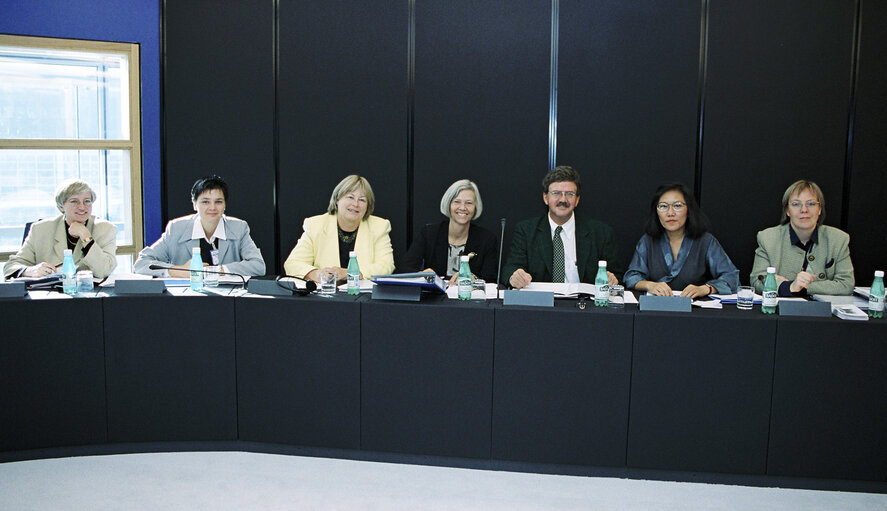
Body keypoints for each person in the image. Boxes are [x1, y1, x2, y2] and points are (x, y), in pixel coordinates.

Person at [503, 165, 621, 288]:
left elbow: (617, 274)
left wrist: (612, 279)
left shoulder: (601, 233)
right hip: (541, 303)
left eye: (569, 194)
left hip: (585, 303)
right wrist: (515, 276)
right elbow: (510, 268)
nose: (563, 199)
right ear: (545, 198)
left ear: (577, 200)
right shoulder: (526, 231)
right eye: (556, 193)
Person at [134, 175, 265, 277]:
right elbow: (141, 264)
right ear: (194, 204)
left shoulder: (239, 227)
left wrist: (218, 271)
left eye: (218, 202)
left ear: (225, 205)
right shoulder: (176, 228)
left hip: (228, 299)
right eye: (205, 202)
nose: (212, 207)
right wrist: (178, 271)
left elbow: (258, 266)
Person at [623, 183, 739, 298]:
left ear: (689, 210)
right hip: (657, 307)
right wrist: (650, 285)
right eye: (663, 206)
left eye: (677, 206)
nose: (670, 213)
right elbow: (631, 276)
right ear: (656, 211)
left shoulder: (705, 241)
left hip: (695, 310)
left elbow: (732, 277)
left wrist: (705, 289)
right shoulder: (648, 241)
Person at [750, 179, 854, 296]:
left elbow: (846, 285)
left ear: (819, 209)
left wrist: (800, 287)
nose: (804, 210)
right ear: (787, 211)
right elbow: (757, 281)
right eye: (796, 204)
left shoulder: (838, 239)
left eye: (811, 204)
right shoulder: (768, 238)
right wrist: (789, 287)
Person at [284, 174, 394, 282]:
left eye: (362, 200)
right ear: (337, 200)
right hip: (325, 295)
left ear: (367, 206)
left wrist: (348, 273)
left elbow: (386, 266)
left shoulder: (379, 227)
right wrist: (316, 274)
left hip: (363, 296)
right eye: (350, 197)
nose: (355, 204)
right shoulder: (316, 225)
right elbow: (293, 263)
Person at [4, 179, 118, 279]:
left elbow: (104, 270)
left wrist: (85, 235)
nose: (82, 207)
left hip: (90, 296)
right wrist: (29, 271)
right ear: (61, 206)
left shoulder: (105, 229)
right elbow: (11, 266)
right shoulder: (40, 229)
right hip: (48, 297)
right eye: (74, 201)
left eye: (87, 201)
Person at [398, 179, 498, 284]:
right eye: (457, 202)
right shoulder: (429, 234)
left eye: (468, 203)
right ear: (448, 204)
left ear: (476, 207)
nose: (463, 207)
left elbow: (491, 277)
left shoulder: (487, 239)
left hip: (468, 298)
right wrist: (421, 274)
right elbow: (404, 269)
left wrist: (474, 279)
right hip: (434, 298)